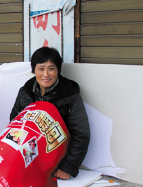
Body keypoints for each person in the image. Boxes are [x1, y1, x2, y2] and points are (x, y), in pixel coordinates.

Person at [10, 47, 90, 179]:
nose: (46, 74)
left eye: (51, 68)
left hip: (56, 159)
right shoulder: (25, 91)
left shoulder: (70, 94)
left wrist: (67, 167)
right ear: (34, 70)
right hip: (29, 155)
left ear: (58, 70)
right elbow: (14, 123)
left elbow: (81, 133)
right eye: (41, 68)